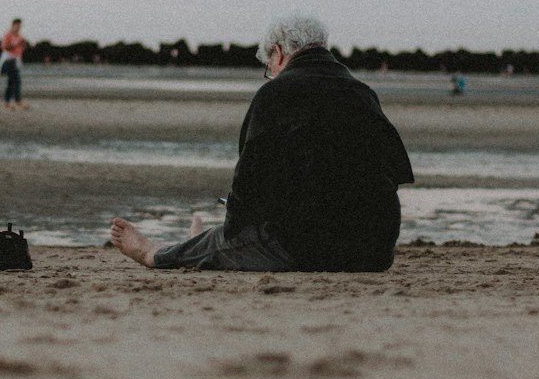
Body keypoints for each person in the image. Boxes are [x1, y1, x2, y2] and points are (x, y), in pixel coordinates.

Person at [110, 14, 414, 272]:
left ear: (279, 53)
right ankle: (196, 241)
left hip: (308, 250)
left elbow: (247, 189)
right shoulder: (363, 93)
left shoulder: (275, 94)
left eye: (270, 66)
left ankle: (152, 253)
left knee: (221, 240)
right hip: (376, 251)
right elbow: (395, 171)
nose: (272, 74)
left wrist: (230, 231)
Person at [0, 17, 29, 109]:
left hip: (16, 60)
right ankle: (18, 101)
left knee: (11, 82)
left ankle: (6, 102)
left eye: (20, 26)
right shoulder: (8, 35)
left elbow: (22, 48)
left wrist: (23, 45)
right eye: (17, 26)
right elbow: (4, 47)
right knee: (16, 81)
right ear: (13, 25)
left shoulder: (20, 37)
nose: (18, 28)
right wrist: (16, 44)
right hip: (9, 60)